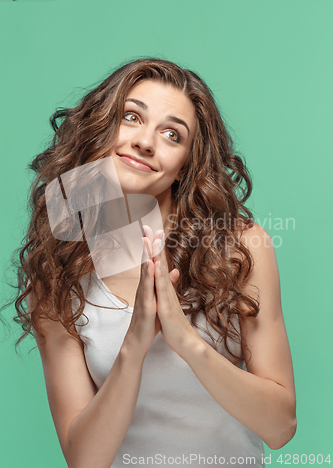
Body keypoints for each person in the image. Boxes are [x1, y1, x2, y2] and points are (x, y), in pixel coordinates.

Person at [12, 57, 296, 468]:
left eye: (172, 134)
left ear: (184, 166)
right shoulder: (60, 272)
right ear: (102, 128)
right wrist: (134, 344)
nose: (146, 142)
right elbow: (84, 460)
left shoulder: (239, 246)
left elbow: (281, 427)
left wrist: (184, 338)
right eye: (131, 117)